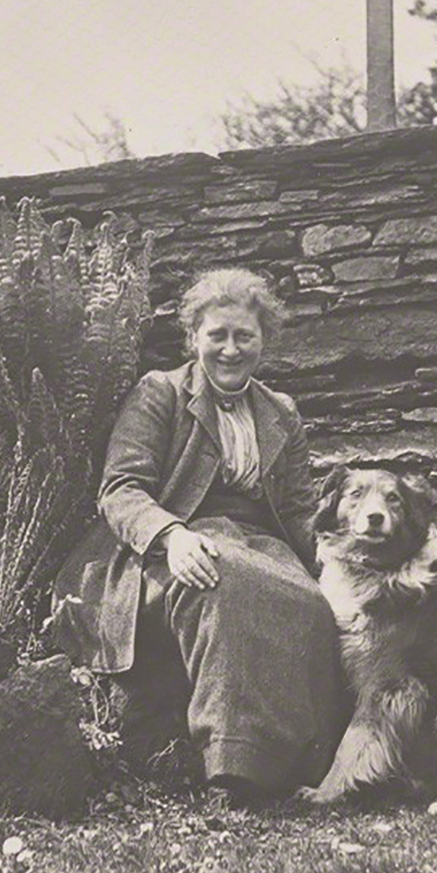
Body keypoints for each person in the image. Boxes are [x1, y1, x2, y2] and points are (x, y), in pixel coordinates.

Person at [52, 267, 346, 802]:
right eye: (218, 336)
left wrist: (336, 556)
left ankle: (306, 769)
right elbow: (120, 489)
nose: (230, 350)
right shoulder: (160, 393)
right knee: (223, 580)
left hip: (264, 546)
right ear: (194, 339)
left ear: (264, 341)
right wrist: (172, 535)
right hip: (162, 548)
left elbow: (301, 510)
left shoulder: (282, 413)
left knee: (313, 603)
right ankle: (234, 766)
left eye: (244, 336)